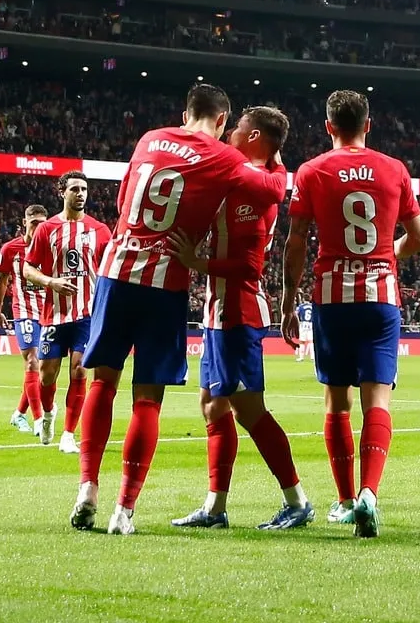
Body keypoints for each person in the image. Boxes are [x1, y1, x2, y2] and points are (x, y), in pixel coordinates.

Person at [70, 84, 288, 536]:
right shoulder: (224, 157)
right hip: (163, 281)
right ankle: (123, 511)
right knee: (147, 398)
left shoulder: (149, 139)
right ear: (223, 121)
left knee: (102, 382)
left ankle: (87, 488)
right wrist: (279, 159)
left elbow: (120, 200)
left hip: (115, 270)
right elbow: (271, 190)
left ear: (184, 112)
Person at [281, 89, 420, 539]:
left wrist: (289, 300)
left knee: (336, 403)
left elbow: (296, 241)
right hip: (380, 296)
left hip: (330, 298)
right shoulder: (394, 169)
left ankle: (344, 501)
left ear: (329, 126)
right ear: (369, 123)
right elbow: (418, 238)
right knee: (377, 400)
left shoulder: (311, 171)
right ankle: (369, 493)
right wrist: (388, 255)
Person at [165, 106, 314, 532]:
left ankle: (297, 500)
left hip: (240, 313)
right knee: (212, 406)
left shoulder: (254, 188)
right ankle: (215, 509)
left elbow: (248, 268)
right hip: (217, 314)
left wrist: (199, 261)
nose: (230, 132)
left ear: (253, 138)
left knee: (251, 411)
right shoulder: (250, 177)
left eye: (238, 128)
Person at [25, 174, 110, 452]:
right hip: (54, 314)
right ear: (62, 192)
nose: (81, 194)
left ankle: (68, 434)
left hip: (87, 315)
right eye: (75, 189)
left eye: (84, 189)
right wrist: (51, 282)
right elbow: (28, 269)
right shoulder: (46, 229)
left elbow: (110, 270)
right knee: (47, 374)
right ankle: (48, 415)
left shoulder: (100, 230)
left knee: (80, 371)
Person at [0, 204, 49, 433]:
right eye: (34, 222)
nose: (38, 227)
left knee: (43, 369)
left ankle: (19, 414)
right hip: (23, 310)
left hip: (47, 312)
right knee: (32, 361)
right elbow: (3, 280)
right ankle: (39, 420)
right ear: (25, 222)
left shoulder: (51, 247)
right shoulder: (10, 249)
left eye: (42, 223)